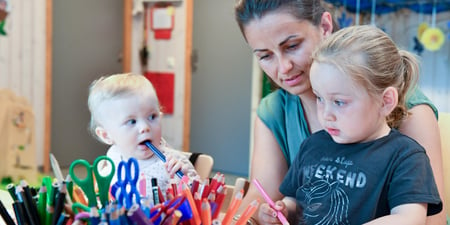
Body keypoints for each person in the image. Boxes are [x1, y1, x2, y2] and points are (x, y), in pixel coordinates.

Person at [234, 0, 446, 224]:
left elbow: (428, 220)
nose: (283, 67)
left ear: (325, 27)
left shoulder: (405, 110)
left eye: (292, 46)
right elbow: (266, 199)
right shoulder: (278, 113)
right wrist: (273, 212)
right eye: (265, 56)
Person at [87, 73, 198, 201]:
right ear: (106, 135)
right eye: (132, 122)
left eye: (152, 117)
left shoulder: (175, 162)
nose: (145, 127)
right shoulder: (112, 157)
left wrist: (184, 178)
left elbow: (202, 199)